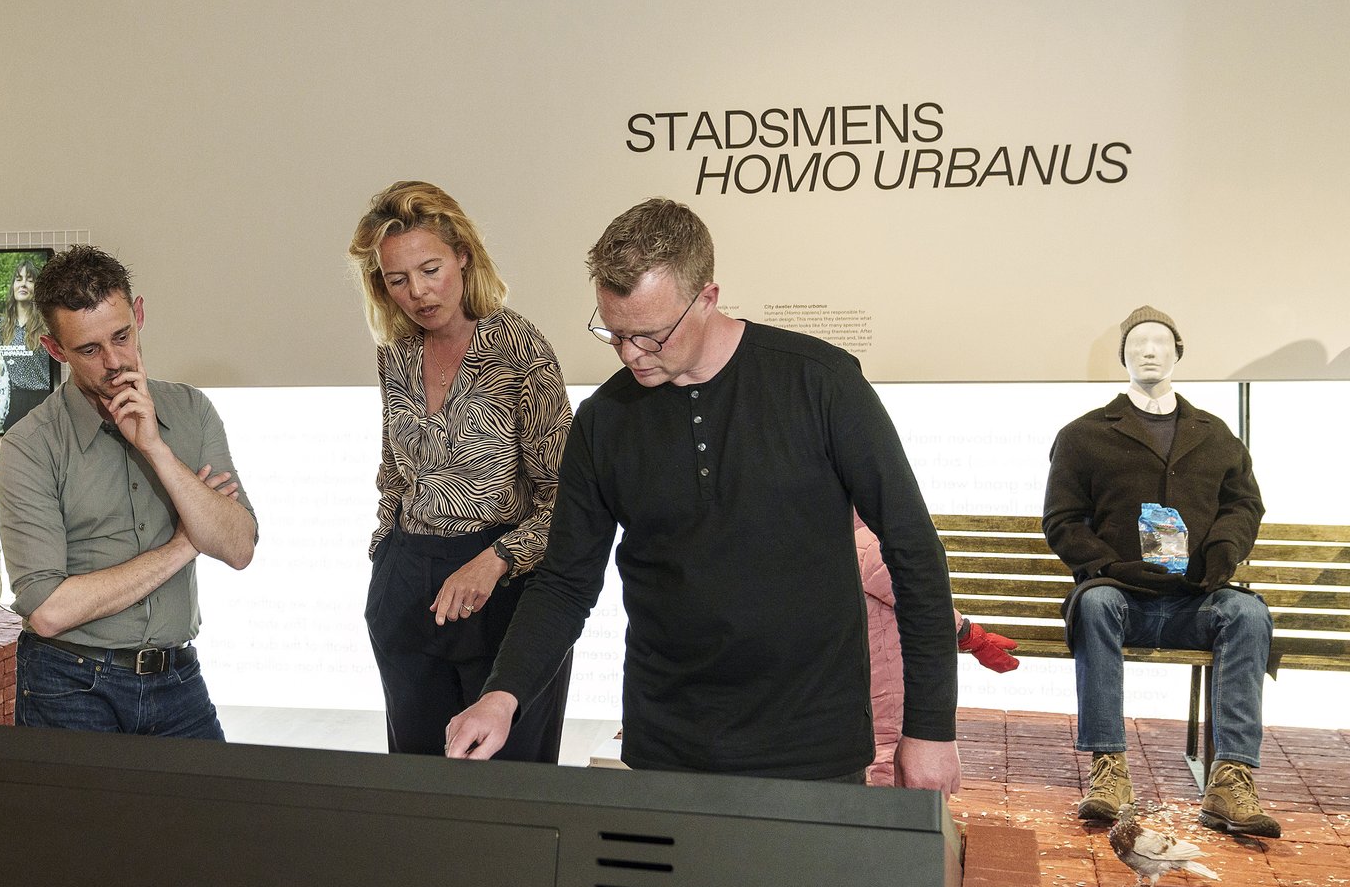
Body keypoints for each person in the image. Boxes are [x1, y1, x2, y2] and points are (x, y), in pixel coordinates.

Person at [445, 198, 960, 791]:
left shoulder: (820, 383)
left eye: (651, 335)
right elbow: (565, 582)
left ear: (708, 298)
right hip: (667, 742)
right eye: (613, 333)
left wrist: (930, 727)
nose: (631, 354)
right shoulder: (603, 420)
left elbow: (914, 551)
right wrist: (501, 695)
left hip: (812, 741)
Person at [349, 180, 574, 762]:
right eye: (397, 280)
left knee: (507, 789)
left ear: (463, 256)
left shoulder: (520, 349)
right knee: (419, 786)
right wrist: (386, 556)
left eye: (430, 270)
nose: (418, 293)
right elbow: (393, 472)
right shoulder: (394, 352)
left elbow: (565, 499)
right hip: (408, 589)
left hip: (501, 589)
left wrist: (495, 560)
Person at [0, 245, 256, 739]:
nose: (115, 362)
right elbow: (50, 612)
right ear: (56, 350)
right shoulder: (29, 446)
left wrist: (157, 448)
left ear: (138, 314)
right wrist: (185, 543)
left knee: (216, 817)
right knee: (87, 821)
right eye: (90, 350)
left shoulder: (191, 410)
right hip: (67, 680)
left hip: (176, 674)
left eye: (123, 336)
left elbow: (239, 547)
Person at [1043, 306, 1278, 836]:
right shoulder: (1084, 435)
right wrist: (1107, 567)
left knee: (1247, 613)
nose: (1148, 350)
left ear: (1178, 353)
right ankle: (1109, 770)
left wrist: (1220, 555)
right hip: (1121, 596)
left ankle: (1231, 779)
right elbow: (1062, 519)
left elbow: (1243, 505)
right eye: (1136, 343)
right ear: (1123, 355)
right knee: (1095, 602)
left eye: (1160, 342)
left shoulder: (1214, 435)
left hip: (1196, 598)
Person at [855, 512, 1019, 787]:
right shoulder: (869, 545)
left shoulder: (835, 540)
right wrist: (970, 635)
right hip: (887, 672)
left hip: (860, 666)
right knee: (887, 745)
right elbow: (924, 603)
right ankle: (895, 819)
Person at [0, 260, 55, 430]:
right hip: (11, 401)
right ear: (13, 285)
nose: (23, 284)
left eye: (29, 280)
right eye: (18, 279)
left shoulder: (49, 325)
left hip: (43, 401)